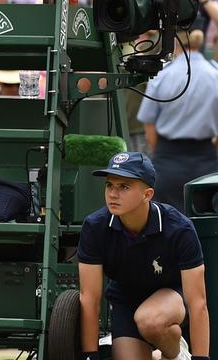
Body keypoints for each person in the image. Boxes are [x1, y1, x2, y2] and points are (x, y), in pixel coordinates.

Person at [77, 152, 209, 360]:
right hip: (126, 303)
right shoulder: (94, 227)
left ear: (147, 194)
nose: (113, 194)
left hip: (172, 298)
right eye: (109, 185)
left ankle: (177, 353)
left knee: (150, 320)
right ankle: (158, 354)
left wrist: (201, 358)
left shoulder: (179, 228)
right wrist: (90, 355)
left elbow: (198, 302)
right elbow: (89, 298)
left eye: (124, 187)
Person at [138, 29, 218, 209]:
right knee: (204, 227)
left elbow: (149, 125)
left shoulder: (163, 74)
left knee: (165, 226)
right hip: (206, 162)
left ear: (175, 43)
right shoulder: (215, 75)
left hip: (167, 162)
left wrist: (160, 153)